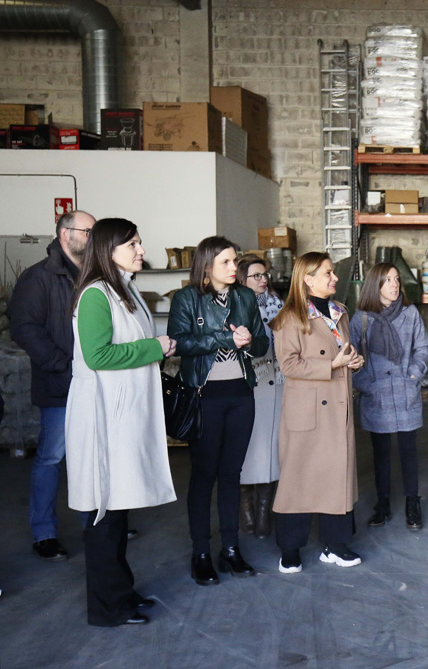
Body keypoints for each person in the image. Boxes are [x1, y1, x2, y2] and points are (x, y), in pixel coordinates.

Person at [65, 218, 177, 626]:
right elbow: (98, 355)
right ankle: (107, 607)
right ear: (108, 250)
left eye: (139, 243)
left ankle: (121, 592)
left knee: (117, 511)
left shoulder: (123, 289)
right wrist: (154, 347)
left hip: (122, 415)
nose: (141, 250)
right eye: (132, 244)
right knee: (104, 514)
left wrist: (157, 348)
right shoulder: (96, 295)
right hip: (102, 418)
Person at [167, 237, 268, 585]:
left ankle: (230, 549)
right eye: (226, 262)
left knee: (231, 475)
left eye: (235, 261)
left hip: (241, 394)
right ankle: (200, 553)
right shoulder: (186, 298)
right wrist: (225, 339)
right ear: (206, 265)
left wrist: (250, 341)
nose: (234, 267)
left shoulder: (245, 297)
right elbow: (179, 343)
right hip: (204, 395)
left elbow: (263, 342)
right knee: (203, 475)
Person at [269, 252, 364, 574]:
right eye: (327, 273)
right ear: (308, 279)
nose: (334, 278)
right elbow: (288, 365)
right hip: (307, 412)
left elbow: (344, 351)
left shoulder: (340, 312)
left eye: (333, 272)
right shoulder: (290, 318)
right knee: (298, 480)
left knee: (337, 478)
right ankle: (289, 549)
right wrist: (332, 365)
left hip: (337, 408)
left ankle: (336, 545)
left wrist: (354, 361)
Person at [8, 209, 95, 561]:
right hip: (61, 384)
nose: (92, 237)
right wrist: (62, 364)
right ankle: (44, 533)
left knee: (92, 456)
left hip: (94, 383)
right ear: (65, 234)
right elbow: (24, 328)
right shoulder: (38, 277)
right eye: (87, 231)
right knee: (51, 457)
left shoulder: (94, 275)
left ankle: (97, 525)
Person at [351, 262, 428, 530]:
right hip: (377, 395)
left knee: (408, 451)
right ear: (375, 285)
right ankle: (382, 504)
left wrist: (414, 374)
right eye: (387, 280)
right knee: (381, 453)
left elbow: (422, 347)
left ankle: (412, 503)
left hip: (405, 391)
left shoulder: (410, 313)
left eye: (396, 279)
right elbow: (351, 357)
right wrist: (366, 384)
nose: (395, 285)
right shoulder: (362, 318)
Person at [235, 254, 284, 538]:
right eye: (256, 275)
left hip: (276, 385)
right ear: (242, 279)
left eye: (265, 274)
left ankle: (265, 511)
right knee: (246, 449)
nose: (263, 279)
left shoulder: (278, 304)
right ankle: (246, 508)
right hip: (247, 384)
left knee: (271, 450)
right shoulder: (234, 305)